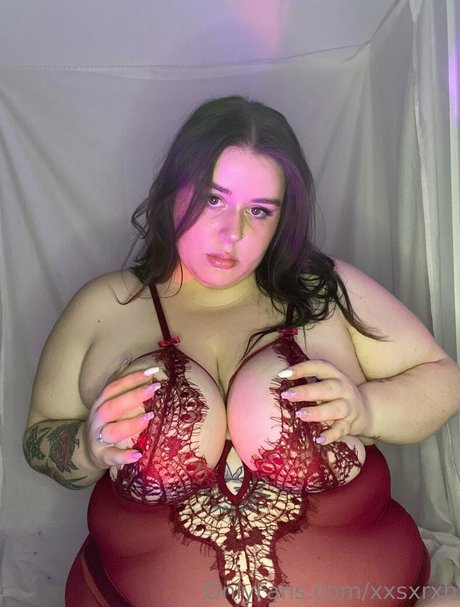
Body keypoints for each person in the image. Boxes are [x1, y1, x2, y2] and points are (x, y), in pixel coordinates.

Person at [23, 95, 460, 607]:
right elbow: (39, 436)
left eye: (259, 211)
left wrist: (369, 409)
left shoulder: (323, 291)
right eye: (213, 199)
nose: (233, 233)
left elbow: (442, 378)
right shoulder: (105, 306)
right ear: (172, 191)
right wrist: (85, 447)